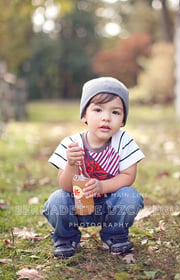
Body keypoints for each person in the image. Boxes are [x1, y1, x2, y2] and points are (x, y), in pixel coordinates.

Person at [43, 77, 144, 258]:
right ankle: (66, 239)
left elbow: (128, 175)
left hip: (110, 205)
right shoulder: (71, 143)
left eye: (115, 112)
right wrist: (71, 164)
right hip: (77, 205)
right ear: (84, 115)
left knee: (130, 196)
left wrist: (102, 187)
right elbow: (65, 186)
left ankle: (115, 235)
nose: (106, 117)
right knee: (56, 200)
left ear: (122, 120)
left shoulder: (123, 141)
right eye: (98, 110)